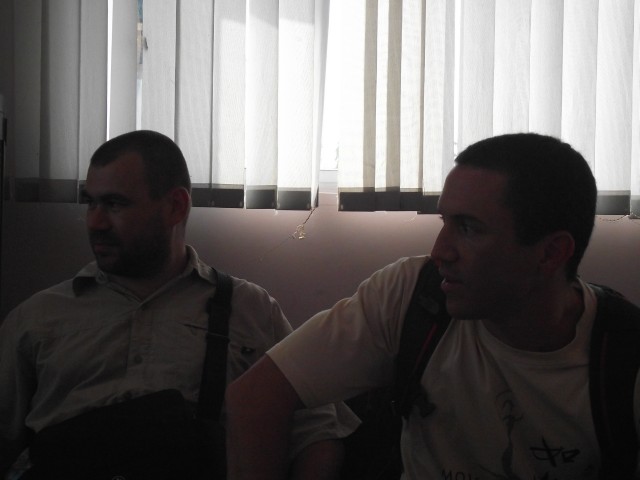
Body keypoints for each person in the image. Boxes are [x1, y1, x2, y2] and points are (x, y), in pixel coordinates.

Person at [225, 132, 640, 479]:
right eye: (445, 222)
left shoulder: (623, 356)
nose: (440, 251)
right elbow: (255, 397)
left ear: (551, 253)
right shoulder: (415, 294)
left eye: (469, 228)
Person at [0, 130, 359, 479]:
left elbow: (318, 431)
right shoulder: (36, 318)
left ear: (176, 206)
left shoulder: (250, 308)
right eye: (90, 202)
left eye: (115, 204)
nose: (94, 222)